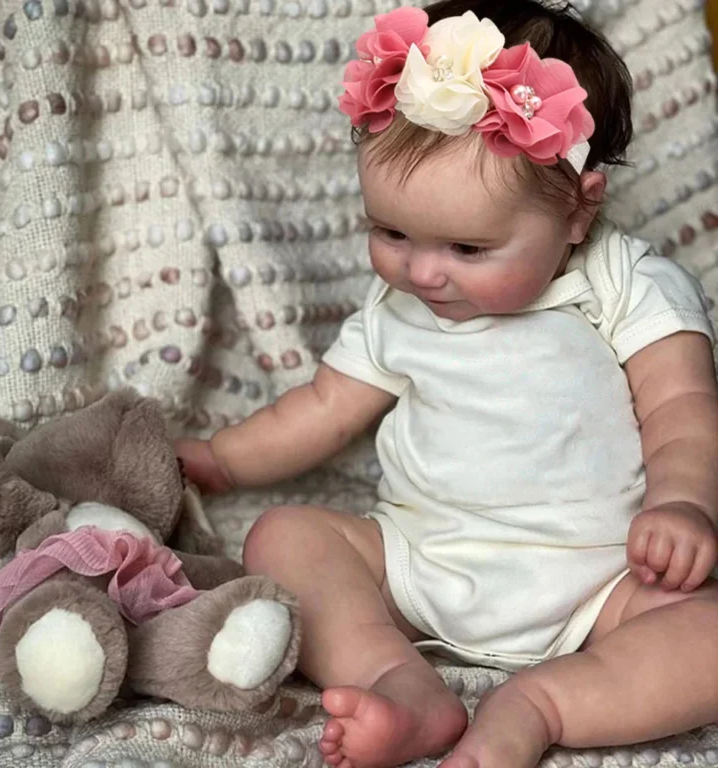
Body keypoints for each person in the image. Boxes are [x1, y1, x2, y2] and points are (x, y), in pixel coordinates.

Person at [176, 1, 718, 766]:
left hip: (602, 584)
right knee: (284, 538)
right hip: (418, 563)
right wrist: (221, 460)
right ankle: (398, 683)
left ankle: (542, 704)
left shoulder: (626, 284)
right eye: (392, 232)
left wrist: (682, 503)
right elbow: (325, 407)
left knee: (708, 635)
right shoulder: (397, 307)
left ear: (577, 210)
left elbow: (682, 406)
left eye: (468, 248)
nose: (423, 272)